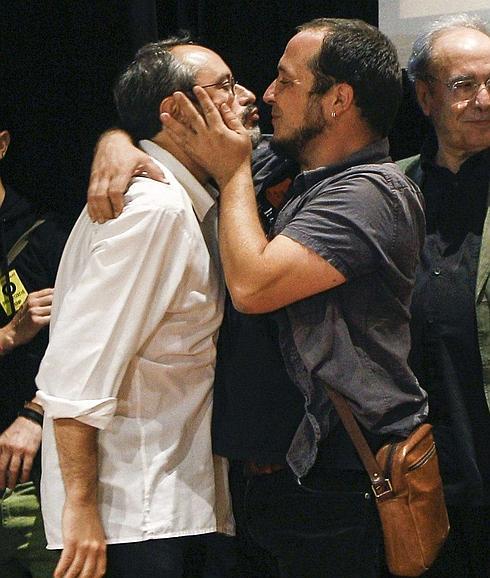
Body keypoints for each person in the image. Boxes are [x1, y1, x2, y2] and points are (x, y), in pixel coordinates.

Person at [87, 18, 428, 578]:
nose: (266, 95)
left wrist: (235, 169)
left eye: (286, 81)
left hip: (335, 482)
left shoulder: (372, 192)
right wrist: (117, 142)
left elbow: (252, 286)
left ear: (339, 99)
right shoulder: (291, 161)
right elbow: (180, 137)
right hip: (266, 481)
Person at [35, 36, 238, 578]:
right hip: (133, 514)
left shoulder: (173, 196)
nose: (245, 96)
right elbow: (78, 367)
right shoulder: (157, 209)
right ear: (174, 111)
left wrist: (115, 137)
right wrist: (79, 506)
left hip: (159, 503)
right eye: (222, 86)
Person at [397, 13, 490, 577]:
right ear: (425, 96)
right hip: (424, 474)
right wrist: (121, 143)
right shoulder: (390, 188)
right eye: (464, 85)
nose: (484, 99)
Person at [0, 107, 65, 577]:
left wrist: (36, 411)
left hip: (31, 478)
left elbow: (95, 347)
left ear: (2, 144)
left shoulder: (46, 236)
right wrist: (7, 335)